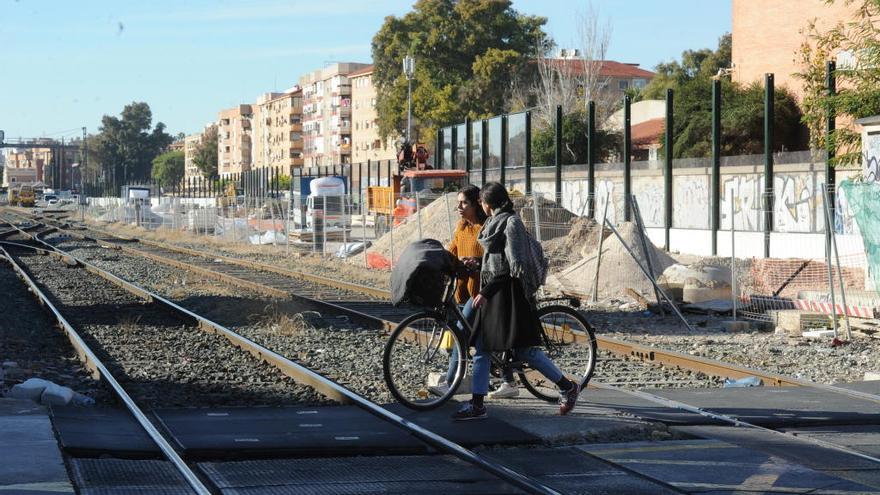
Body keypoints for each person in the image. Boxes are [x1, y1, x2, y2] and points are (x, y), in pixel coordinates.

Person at [453, 182, 580, 421]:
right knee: (481, 349)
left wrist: (486, 290)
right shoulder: (492, 223)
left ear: (487, 203)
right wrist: (478, 265)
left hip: (511, 297)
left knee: (526, 351)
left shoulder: (512, 224)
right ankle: (478, 405)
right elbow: (497, 263)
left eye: (481, 201)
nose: (480, 205)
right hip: (493, 294)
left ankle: (567, 387)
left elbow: (514, 267)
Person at [429, 185, 522, 396]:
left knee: (461, 333)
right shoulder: (461, 227)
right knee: (484, 340)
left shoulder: (486, 228)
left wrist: (476, 262)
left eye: (464, 203)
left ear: (476, 204)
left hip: (480, 292)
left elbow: (494, 261)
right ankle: (509, 382)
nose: (459, 207)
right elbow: (452, 251)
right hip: (462, 291)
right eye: (458, 203)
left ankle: (450, 382)